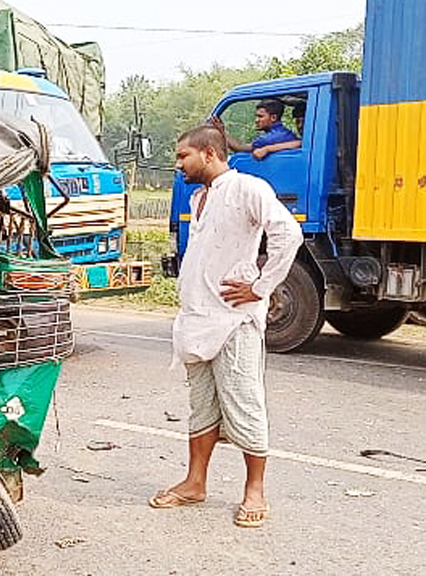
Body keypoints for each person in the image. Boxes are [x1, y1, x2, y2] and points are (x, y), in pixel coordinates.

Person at [149, 125, 302, 528]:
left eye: (184, 156)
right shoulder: (200, 196)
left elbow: (289, 233)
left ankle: (255, 490)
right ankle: (195, 482)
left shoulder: (247, 188)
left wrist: (260, 287)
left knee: (244, 406)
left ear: (210, 154)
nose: (178, 163)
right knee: (202, 409)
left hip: (233, 322)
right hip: (198, 321)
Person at [210, 99, 298, 161]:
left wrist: (221, 131)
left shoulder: (269, 139)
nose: (256, 120)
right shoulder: (286, 134)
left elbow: (239, 148)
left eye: (260, 116)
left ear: (273, 117)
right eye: (256, 116)